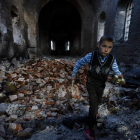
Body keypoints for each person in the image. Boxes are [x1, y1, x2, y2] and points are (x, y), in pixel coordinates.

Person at [71, 35, 125, 140]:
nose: (106, 49)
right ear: (98, 45)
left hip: (101, 84)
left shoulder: (112, 59)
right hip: (91, 83)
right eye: (104, 46)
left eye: (109, 47)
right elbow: (78, 63)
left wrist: (119, 76)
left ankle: (95, 113)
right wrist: (73, 75)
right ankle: (90, 129)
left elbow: (116, 70)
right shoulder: (91, 56)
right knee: (93, 104)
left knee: (99, 101)